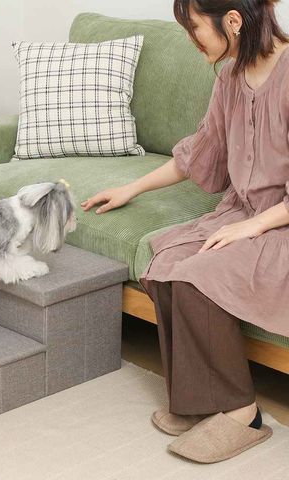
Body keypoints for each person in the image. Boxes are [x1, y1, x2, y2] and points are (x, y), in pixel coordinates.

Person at [81, 0, 289, 463]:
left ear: (232, 21)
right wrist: (131, 187)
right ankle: (200, 402)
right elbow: (201, 151)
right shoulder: (230, 77)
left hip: (278, 223)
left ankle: (244, 414)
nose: (192, 40)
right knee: (167, 263)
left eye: (194, 27)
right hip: (242, 214)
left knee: (198, 277)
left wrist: (252, 227)